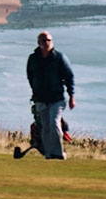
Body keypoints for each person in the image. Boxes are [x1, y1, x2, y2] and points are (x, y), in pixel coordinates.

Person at [25, 31, 76, 159]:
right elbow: (30, 76)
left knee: (54, 123)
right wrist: (35, 91)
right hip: (40, 98)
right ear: (39, 43)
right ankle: (48, 154)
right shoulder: (33, 58)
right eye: (44, 41)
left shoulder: (59, 58)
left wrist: (72, 96)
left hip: (57, 98)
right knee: (45, 127)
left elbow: (69, 77)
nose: (47, 43)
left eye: (49, 40)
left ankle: (58, 153)